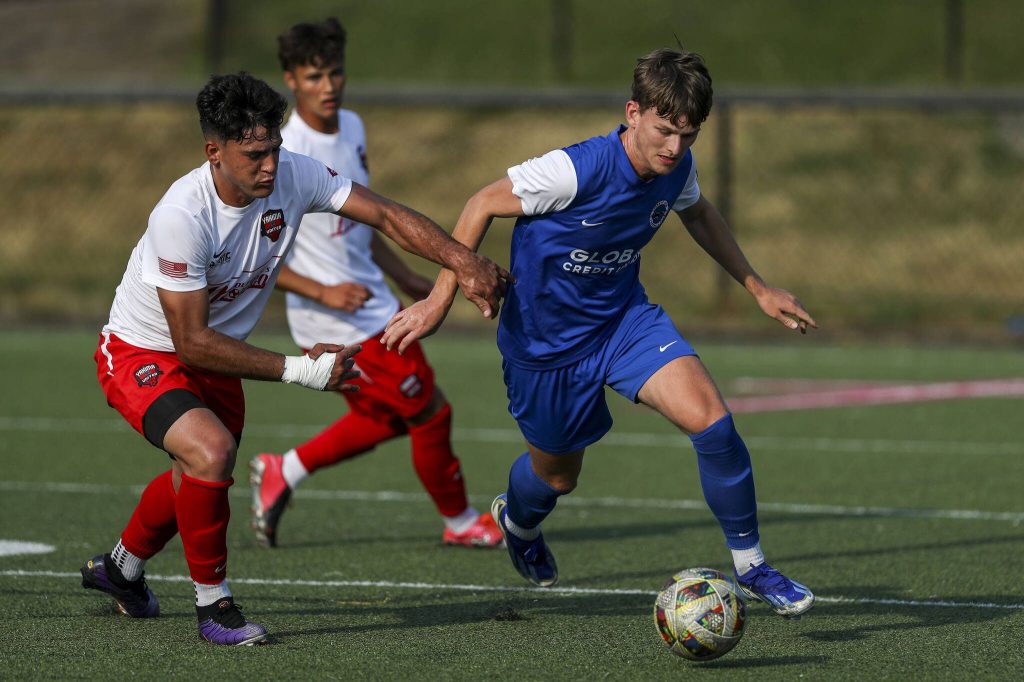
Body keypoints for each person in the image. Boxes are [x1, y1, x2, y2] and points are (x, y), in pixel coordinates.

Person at [79, 72, 510, 646]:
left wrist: (462, 259)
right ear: (214, 152)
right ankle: (215, 608)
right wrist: (300, 368)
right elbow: (190, 341)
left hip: (218, 357)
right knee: (210, 451)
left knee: (199, 467)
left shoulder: (294, 174)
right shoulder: (182, 216)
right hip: (142, 351)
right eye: (254, 154)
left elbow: (383, 214)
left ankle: (121, 569)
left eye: (275, 149)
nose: (270, 166)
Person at [382, 48, 817, 618]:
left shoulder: (677, 167)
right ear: (632, 112)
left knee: (713, 423)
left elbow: (698, 211)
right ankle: (517, 521)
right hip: (545, 347)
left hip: (623, 322)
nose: (674, 148)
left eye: (688, 136)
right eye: (664, 131)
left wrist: (757, 287)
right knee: (557, 477)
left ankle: (753, 566)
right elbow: (481, 203)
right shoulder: (574, 169)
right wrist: (440, 298)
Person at [247, 18, 503, 551]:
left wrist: (405, 274)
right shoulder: (283, 151)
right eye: (315, 75)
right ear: (291, 79)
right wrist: (321, 292)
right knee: (430, 410)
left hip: (375, 302)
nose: (329, 85)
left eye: (336, 72)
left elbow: (361, 218)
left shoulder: (354, 128)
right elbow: (255, 256)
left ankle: (284, 469)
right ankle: (460, 522)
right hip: (331, 318)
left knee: (389, 416)